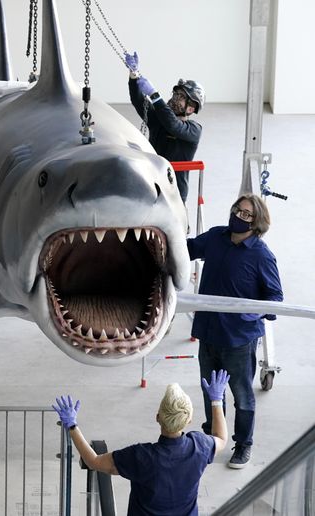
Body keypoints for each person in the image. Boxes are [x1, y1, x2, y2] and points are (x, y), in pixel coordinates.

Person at [187, 194, 283, 468]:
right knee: (211, 390)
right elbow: (186, 249)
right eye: (237, 210)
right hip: (208, 332)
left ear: (257, 223)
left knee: (242, 395)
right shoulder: (216, 237)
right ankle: (212, 439)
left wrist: (247, 314)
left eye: (246, 214)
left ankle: (243, 444)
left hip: (238, 339)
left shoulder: (261, 256)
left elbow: (275, 298)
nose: (238, 216)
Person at [53, 371, 230, 515]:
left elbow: (93, 461)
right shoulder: (199, 447)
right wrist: (216, 400)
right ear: (188, 420)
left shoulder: (140, 456)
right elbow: (221, 438)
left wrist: (72, 426)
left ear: (158, 417)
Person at [124, 51, 204, 204]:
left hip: (174, 194)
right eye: (176, 94)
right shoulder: (158, 120)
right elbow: (138, 101)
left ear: (191, 108)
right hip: (152, 186)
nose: (175, 98)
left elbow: (174, 126)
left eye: (182, 97)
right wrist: (134, 76)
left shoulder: (194, 130)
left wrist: (154, 95)